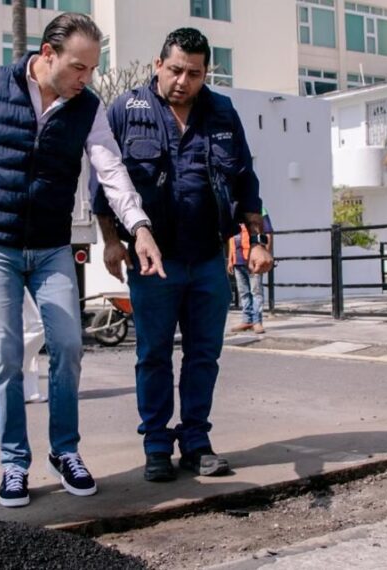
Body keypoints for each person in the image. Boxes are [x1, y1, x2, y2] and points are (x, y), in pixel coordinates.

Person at [0, 12, 165, 508]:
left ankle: (65, 451)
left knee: (67, 343)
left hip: (50, 247)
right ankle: (13, 462)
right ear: (47, 55)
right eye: (79, 67)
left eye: (92, 69)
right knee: (5, 353)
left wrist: (139, 226)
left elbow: (111, 169)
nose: (87, 78)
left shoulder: (87, 108)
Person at [92, 28, 272, 483]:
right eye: (174, 70)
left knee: (203, 355)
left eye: (193, 73)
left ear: (205, 72)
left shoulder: (222, 112)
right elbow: (103, 183)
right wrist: (112, 241)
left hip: (209, 258)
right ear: (158, 65)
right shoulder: (126, 110)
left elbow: (246, 179)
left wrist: (259, 239)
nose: (182, 81)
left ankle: (196, 441)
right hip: (153, 262)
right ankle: (155, 444)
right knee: (153, 354)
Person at [227, 207, 274, 334]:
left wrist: (267, 254)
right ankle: (247, 320)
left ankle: (257, 321)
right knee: (244, 292)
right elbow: (231, 237)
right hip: (238, 259)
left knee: (256, 291)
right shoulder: (232, 210)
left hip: (253, 259)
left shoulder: (259, 209)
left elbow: (268, 232)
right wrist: (231, 259)